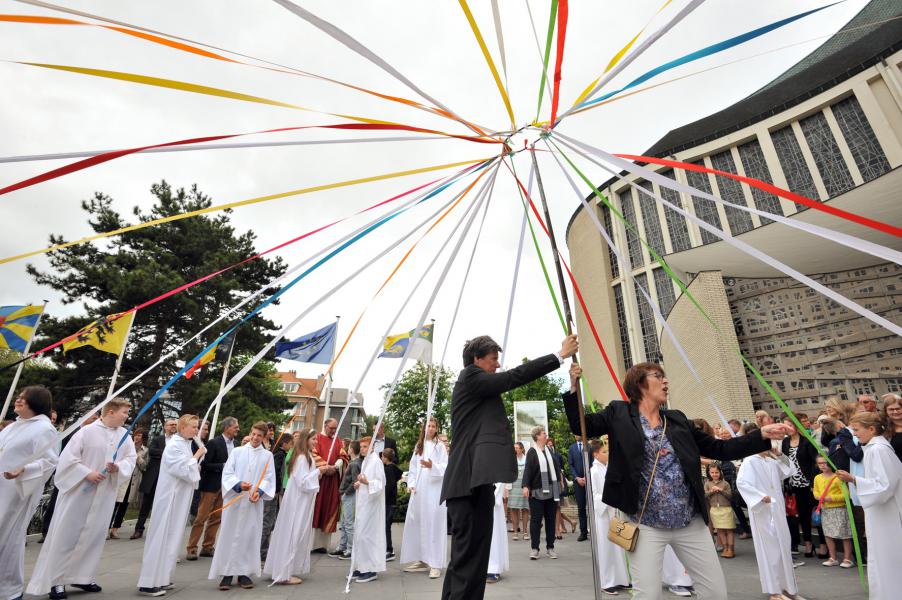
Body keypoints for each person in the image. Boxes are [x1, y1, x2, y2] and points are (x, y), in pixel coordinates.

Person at [563, 362, 789, 600]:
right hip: (645, 524)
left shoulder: (677, 419)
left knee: (715, 592)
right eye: (658, 376)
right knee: (647, 595)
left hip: (689, 521)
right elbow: (581, 425)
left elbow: (719, 448)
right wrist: (573, 385)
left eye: (665, 376)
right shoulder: (618, 413)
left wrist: (760, 436)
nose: (665, 381)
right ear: (640, 383)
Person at [441, 334, 577, 600]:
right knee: (468, 560)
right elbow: (513, 377)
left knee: (472, 561)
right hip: (466, 485)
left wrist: (572, 385)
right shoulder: (470, 377)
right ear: (476, 360)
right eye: (493, 359)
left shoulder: (479, 388)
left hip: (476, 483)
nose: (498, 365)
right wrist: (558, 356)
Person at [28, 399, 137, 600]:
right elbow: (67, 460)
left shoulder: (125, 436)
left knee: (93, 536)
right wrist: (86, 473)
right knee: (66, 535)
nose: (127, 416)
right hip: (79, 492)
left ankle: (82, 576)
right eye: (124, 412)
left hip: (104, 494)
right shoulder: (86, 432)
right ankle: (55, 580)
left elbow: (131, 459)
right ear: (111, 412)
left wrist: (118, 467)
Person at [136, 414, 205, 596]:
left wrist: (194, 464)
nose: (196, 430)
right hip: (169, 498)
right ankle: (149, 582)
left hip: (179, 498)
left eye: (197, 427)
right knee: (161, 535)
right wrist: (197, 457)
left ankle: (163, 578)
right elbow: (178, 468)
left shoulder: (184, 444)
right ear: (182, 428)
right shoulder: (174, 444)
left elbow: (186, 467)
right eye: (193, 427)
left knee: (172, 537)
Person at [0, 386, 58, 600]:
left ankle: (9, 590)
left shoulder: (44, 429)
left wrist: (24, 469)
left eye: (25, 398)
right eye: (19, 396)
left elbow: (50, 461)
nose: (19, 400)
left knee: (9, 539)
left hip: (17, 492)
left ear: (37, 402)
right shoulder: (12, 426)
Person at [836, 412, 902, 600]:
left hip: (886, 514)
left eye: (857, 430)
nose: (854, 434)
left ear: (871, 429)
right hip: (880, 511)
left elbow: (885, 484)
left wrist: (854, 479)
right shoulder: (873, 448)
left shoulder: (878, 450)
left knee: (887, 556)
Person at [208, 421, 276, 591]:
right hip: (236, 502)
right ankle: (227, 573)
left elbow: (269, 478)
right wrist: (238, 485)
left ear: (264, 437)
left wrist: (259, 491)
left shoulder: (267, 456)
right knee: (230, 535)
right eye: (253, 434)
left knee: (249, 536)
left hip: (253, 503)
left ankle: (244, 573)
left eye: (259, 435)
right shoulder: (238, 452)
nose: (255, 438)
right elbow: (228, 473)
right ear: (250, 432)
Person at [737, 442, 802, 600]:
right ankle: (774, 591)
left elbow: (791, 470)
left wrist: (779, 455)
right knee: (769, 550)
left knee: (783, 548)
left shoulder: (771, 461)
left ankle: (789, 589)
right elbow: (742, 483)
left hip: (777, 509)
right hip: (763, 511)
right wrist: (759, 497)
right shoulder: (750, 461)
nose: (770, 446)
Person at [263, 428, 324, 585]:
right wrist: (318, 471)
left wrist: (317, 472)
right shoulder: (302, 458)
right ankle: (284, 573)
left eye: (316, 439)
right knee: (292, 532)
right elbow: (302, 481)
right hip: (298, 502)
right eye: (313, 439)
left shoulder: (305, 456)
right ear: (305, 440)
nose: (316, 442)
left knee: (292, 532)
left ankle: (283, 569)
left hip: (299, 500)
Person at [401, 416, 448, 578]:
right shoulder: (419, 446)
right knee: (419, 522)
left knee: (433, 524)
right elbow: (413, 467)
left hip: (434, 491)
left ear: (437, 428)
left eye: (434, 426)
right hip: (420, 491)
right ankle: (422, 559)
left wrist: (432, 466)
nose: (431, 428)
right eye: (429, 425)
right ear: (424, 428)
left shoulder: (439, 446)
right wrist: (411, 483)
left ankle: (435, 563)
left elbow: (445, 467)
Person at [186, 416, 238, 560]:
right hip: (210, 486)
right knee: (201, 517)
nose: (238, 429)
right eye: (235, 427)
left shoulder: (237, 445)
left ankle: (208, 547)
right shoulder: (214, 443)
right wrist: (222, 466)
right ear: (227, 428)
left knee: (216, 518)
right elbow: (205, 465)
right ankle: (192, 548)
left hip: (225, 487)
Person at [589, 439, 629, 595]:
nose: (607, 454)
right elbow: (594, 495)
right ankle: (607, 581)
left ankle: (621, 579)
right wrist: (610, 497)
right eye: (604, 452)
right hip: (604, 513)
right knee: (606, 547)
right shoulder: (594, 471)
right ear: (596, 454)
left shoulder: (606, 468)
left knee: (618, 546)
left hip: (613, 511)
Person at [781, 419, 826, 558]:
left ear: (795, 426)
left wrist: (813, 483)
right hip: (794, 484)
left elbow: (814, 463)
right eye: (785, 425)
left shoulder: (807, 441)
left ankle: (823, 545)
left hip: (809, 483)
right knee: (803, 515)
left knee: (816, 513)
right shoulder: (785, 442)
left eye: (789, 425)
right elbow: (785, 462)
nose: (787, 427)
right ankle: (808, 543)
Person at [522, 425, 563, 560]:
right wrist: (526, 486)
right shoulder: (532, 452)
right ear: (537, 436)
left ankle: (550, 547)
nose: (546, 434)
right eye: (543, 433)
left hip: (552, 491)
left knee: (551, 520)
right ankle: (535, 548)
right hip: (537, 491)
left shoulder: (549, 450)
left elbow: (556, 468)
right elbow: (528, 469)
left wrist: (560, 482)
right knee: (536, 521)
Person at [132, 418, 177, 540]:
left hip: (170, 478)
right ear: (165, 426)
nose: (173, 426)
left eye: (175, 424)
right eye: (171, 424)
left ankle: (159, 531)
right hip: (154, 477)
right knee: (146, 504)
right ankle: (139, 529)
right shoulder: (158, 439)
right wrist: (169, 454)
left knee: (165, 505)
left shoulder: (179, 441)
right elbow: (152, 451)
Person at [351, 436, 386, 583]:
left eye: (365, 446)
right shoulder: (366, 461)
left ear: (372, 447)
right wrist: (360, 484)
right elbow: (366, 480)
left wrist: (367, 482)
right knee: (360, 534)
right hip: (364, 504)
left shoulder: (376, 462)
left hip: (372, 506)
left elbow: (380, 483)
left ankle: (371, 569)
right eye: (361, 446)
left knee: (368, 535)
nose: (362, 449)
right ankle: (361, 566)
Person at [311, 417, 348, 552]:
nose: (334, 431)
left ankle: (323, 545)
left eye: (335, 428)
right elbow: (313, 454)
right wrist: (325, 468)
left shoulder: (338, 441)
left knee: (329, 507)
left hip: (333, 481)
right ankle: (313, 544)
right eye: (332, 428)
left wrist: (337, 465)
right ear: (325, 426)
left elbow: (343, 456)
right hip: (319, 479)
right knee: (317, 508)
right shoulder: (317, 439)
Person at [811, 455, 853, 568]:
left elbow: (846, 494)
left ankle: (847, 558)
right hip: (826, 509)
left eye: (825, 462)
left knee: (845, 534)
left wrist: (832, 498)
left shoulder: (838, 477)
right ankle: (833, 557)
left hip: (839, 508)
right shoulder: (817, 478)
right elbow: (815, 491)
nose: (822, 465)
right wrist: (818, 496)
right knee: (828, 534)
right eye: (820, 463)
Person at [109, 429, 146, 539]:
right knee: (114, 504)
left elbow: (144, 466)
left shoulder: (145, 450)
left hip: (132, 482)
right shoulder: (125, 446)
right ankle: (107, 528)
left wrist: (137, 457)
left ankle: (115, 529)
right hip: (122, 479)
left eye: (140, 435)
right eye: (136, 435)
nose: (137, 437)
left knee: (123, 506)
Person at [261, 431, 292, 562]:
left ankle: (264, 550)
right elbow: (275, 474)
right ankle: (261, 551)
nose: (291, 446)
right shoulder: (279, 455)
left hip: (275, 491)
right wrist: (276, 489)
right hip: (273, 492)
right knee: (267, 521)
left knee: (270, 521)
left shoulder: (282, 454)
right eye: (290, 444)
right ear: (284, 443)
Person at [331, 439, 363, 560]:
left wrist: (345, 492)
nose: (347, 449)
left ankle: (350, 549)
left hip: (349, 496)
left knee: (348, 523)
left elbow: (355, 481)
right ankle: (342, 547)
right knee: (344, 523)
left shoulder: (354, 464)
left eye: (349, 447)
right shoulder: (355, 462)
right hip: (348, 495)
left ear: (352, 450)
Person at [703, 463, 736, 558]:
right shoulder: (707, 484)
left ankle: (731, 549)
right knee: (720, 530)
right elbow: (704, 496)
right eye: (712, 472)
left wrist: (721, 490)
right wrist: (711, 491)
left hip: (726, 509)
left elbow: (730, 496)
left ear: (720, 472)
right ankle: (725, 548)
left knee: (729, 530)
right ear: (709, 473)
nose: (714, 474)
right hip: (714, 510)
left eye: (716, 472)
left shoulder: (725, 483)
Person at [382, 447, 403, 563]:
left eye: (382, 457)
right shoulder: (394, 468)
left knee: (386, 526)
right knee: (387, 525)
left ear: (385, 458)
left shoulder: (388, 469)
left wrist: (382, 497)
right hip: (392, 501)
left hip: (388, 501)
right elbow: (399, 475)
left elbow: (388, 486)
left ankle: (389, 550)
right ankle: (387, 548)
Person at [486, 481, 509, 584]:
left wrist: (490, 496)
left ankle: (494, 568)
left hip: (492, 499)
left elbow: (500, 476)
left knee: (494, 536)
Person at [568, 437, 590, 542]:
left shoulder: (589, 446)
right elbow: (570, 465)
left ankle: (595, 531)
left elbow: (593, 462)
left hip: (590, 481)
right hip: (578, 482)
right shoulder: (572, 448)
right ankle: (583, 532)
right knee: (581, 507)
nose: (576, 435)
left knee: (592, 508)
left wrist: (587, 477)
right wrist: (577, 478)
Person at [508, 442, 529, 541]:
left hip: (524, 485)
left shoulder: (527, 459)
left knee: (525, 509)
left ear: (522, 449)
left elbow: (529, 473)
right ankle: (515, 531)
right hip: (513, 486)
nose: (514, 449)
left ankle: (525, 532)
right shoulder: (511, 460)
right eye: (514, 448)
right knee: (513, 509)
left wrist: (528, 486)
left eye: (516, 448)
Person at [880, 394, 902, 461]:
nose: (895, 412)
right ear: (886, 411)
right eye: (891, 409)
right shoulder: (884, 429)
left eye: (898, 408)